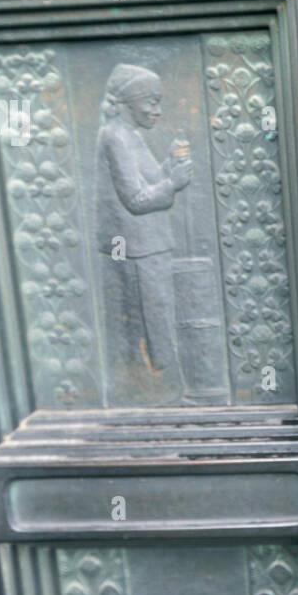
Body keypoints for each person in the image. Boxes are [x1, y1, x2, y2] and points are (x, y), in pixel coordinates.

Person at [95, 63, 192, 400]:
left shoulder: (129, 136)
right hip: (137, 249)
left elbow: (149, 183)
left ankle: (168, 390)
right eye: (151, 102)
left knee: (160, 318)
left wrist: (170, 169)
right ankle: (162, 393)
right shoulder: (116, 137)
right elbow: (135, 199)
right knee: (154, 322)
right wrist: (173, 183)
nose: (157, 110)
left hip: (148, 246)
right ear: (129, 101)